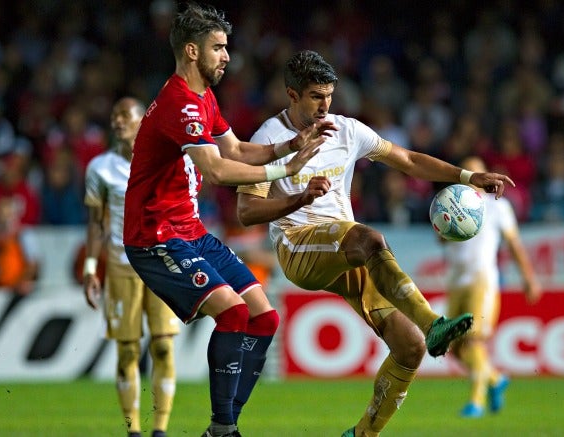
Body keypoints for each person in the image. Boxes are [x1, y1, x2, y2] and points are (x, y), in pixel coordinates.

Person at [235, 50, 515, 437]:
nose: (325, 105)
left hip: (347, 252)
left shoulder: (347, 130)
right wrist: (300, 199)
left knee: (410, 348)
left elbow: (409, 160)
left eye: (329, 95)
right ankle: (434, 322)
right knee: (367, 238)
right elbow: (247, 211)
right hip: (298, 246)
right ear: (292, 94)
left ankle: (363, 433)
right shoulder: (268, 139)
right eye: (316, 96)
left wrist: (468, 176)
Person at [120, 4, 335, 437]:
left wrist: (293, 145)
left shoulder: (203, 98)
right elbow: (217, 171)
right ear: (191, 50)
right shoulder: (180, 104)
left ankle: (224, 426)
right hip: (155, 236)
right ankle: (223, 428)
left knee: (264, 319)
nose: (227, 56)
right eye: (218, 47)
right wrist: (286, 172)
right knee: (234, 313)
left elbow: (236, 150)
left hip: (191, 232)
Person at [83, 96, 180, 437]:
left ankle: (161, 429)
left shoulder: (166, 160)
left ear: (143, 121)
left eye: (125, 115)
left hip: (163, 262)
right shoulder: (100, 168)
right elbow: (96, 223)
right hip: (123, 265)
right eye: (114, 115)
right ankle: (133, 430)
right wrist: (91, 267)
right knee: (127, 350)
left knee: (163, 345)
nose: (117, 121)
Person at [440, 156, 541, 417]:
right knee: (450, 347)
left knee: (473, 341)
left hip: (482, 281)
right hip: (456, 281)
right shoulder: (451, 203)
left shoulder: (497, 206)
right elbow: (444, 241)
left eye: (477, 172)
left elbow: (514, 244)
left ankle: (476, 401)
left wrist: (528, 278)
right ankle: (495, 379)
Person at [0, 196, 40, 295]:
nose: (2, 218)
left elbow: (33, 265)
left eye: (6, 214)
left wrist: (20, 283)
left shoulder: (23, 235)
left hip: (15, 290)